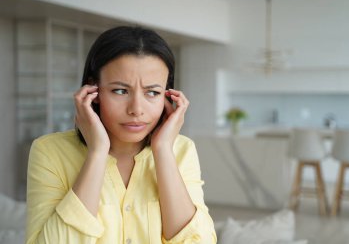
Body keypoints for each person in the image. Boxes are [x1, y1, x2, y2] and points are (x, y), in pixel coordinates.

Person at [26, 26, 217, 244]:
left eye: (152, 93)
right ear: (93, 92)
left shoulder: (181, 150)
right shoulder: (49, 152)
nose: (136, 109)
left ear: (168, 96)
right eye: (120, 91)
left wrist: (163, 150)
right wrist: (97, 153)